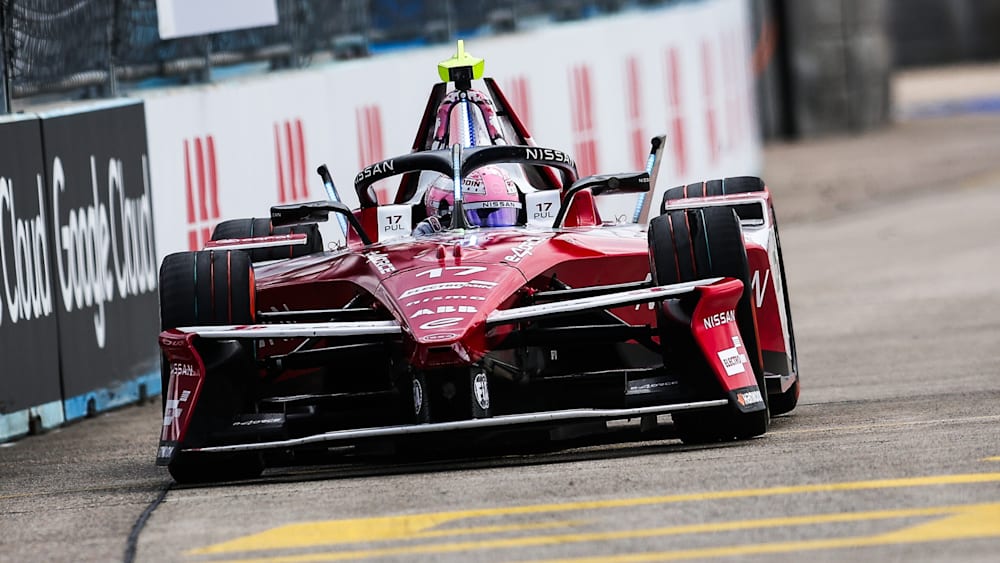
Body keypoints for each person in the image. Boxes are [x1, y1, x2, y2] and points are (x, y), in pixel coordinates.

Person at [414, 165, 523, 235]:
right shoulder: (425, 232)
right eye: (479, 218)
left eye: (503, 216)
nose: (492, 234)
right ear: (444, 216)